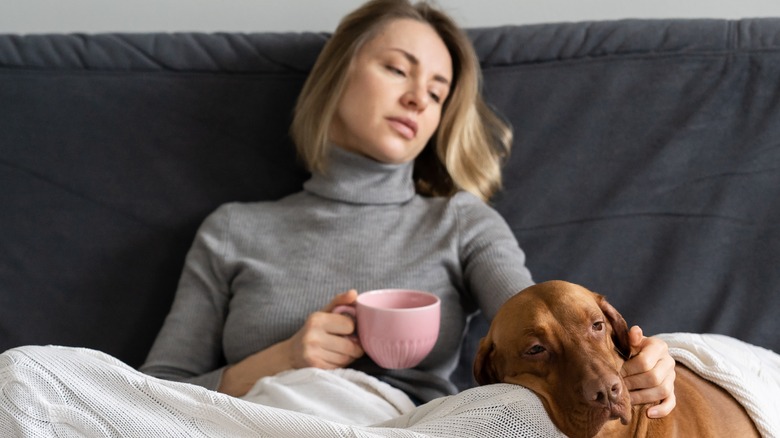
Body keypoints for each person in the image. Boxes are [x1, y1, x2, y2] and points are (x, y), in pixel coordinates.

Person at [140, 0, 676, 418]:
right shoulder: (232, 229)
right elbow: (144, 395)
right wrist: (281, 361)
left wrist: (643, 362)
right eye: (398, 69)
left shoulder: (460, 221)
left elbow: (540, 324)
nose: (420, 99)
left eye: (437, 92)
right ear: (338, 75)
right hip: (255, 419)